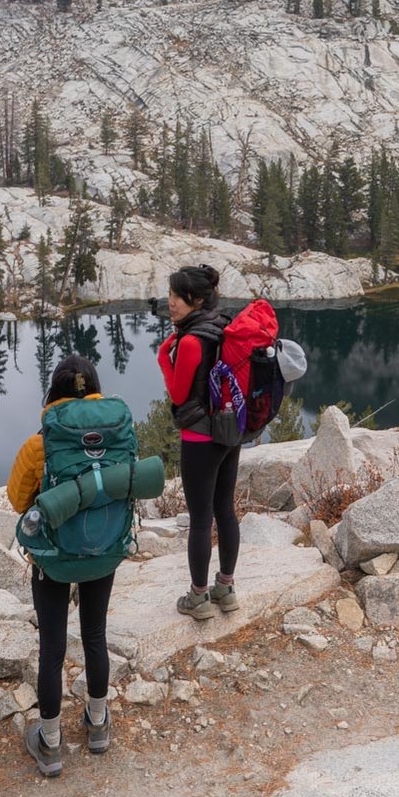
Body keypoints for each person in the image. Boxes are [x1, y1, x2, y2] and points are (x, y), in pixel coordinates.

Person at [7, 354, 127, 775]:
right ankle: (98, 725)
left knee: (53, 647)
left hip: (54, 559)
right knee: (95, 633)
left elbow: (19, 501)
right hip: (105, 550)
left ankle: (51, 742)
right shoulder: (115, 432)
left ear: (54, 391)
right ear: (94, 388)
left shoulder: (41, 444)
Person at [157, 263, 241, 620]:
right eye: (171, 294)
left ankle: (198, 598)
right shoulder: (223, 326)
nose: (171, 302)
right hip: (229, 431)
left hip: (199, 437)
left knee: (201, 519)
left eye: (177, 295)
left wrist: (164, 355)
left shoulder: (191, 341)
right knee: (225, 509)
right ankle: (227, 589)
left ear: (196, 299)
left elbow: (178, 393)